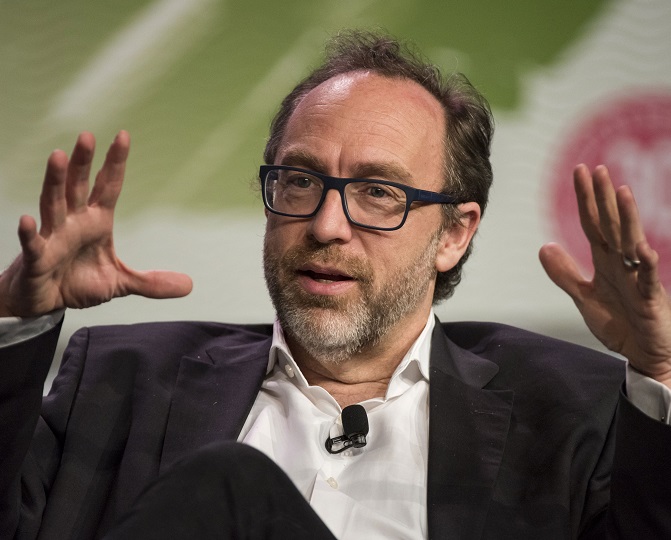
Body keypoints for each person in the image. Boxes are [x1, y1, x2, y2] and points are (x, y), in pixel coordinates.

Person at [1, 30, 670, 540]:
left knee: (230, 483)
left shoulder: (568, 407)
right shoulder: (120, 379)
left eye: (377, 192)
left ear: (453, 234)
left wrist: (661, 372)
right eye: (300, 181)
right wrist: (14, 317)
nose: (325, 225)